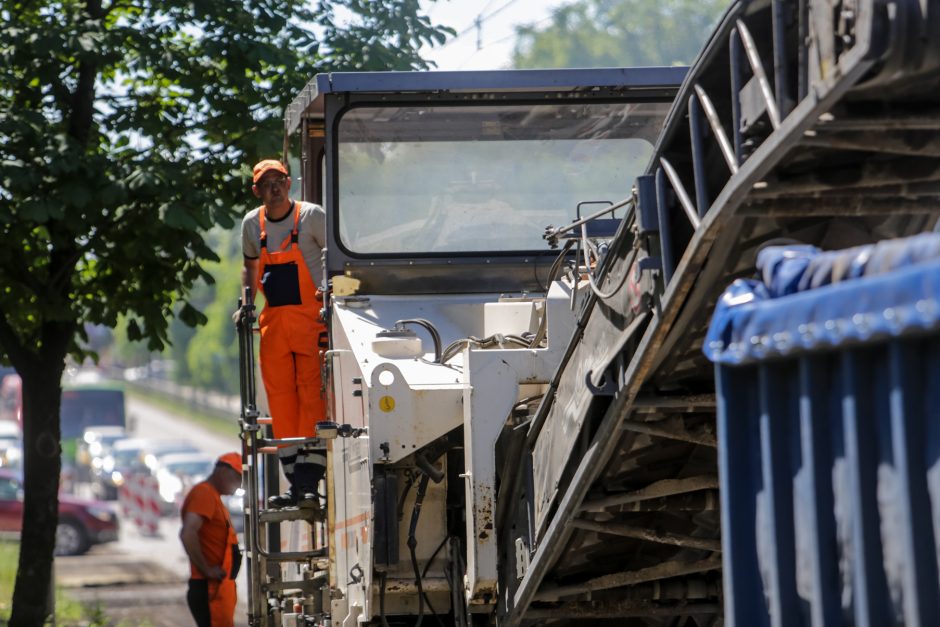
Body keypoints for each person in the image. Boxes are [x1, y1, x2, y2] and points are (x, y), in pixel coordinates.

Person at [240, 159, 327, 508]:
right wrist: (246, 304)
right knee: (280, 399)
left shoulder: (311, 217)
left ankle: (309, 479)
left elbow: (334, 256)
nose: (274, 188)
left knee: (312, 396)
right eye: (267, 183)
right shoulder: (252, 224)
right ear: (257, 190)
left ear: (289, 184)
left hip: (311, 323)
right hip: (274, 326)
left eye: (280, 181)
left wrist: (329, 290)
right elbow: (249, 269)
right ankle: (296, 482)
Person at [180, 452, 243, 627]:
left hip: (217, 587)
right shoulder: (204, 493)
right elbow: (187, 533)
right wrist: (206, 569)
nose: (238, 486)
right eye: (237, 478)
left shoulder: (213, 496)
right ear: (223, 471)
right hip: (208, 587)